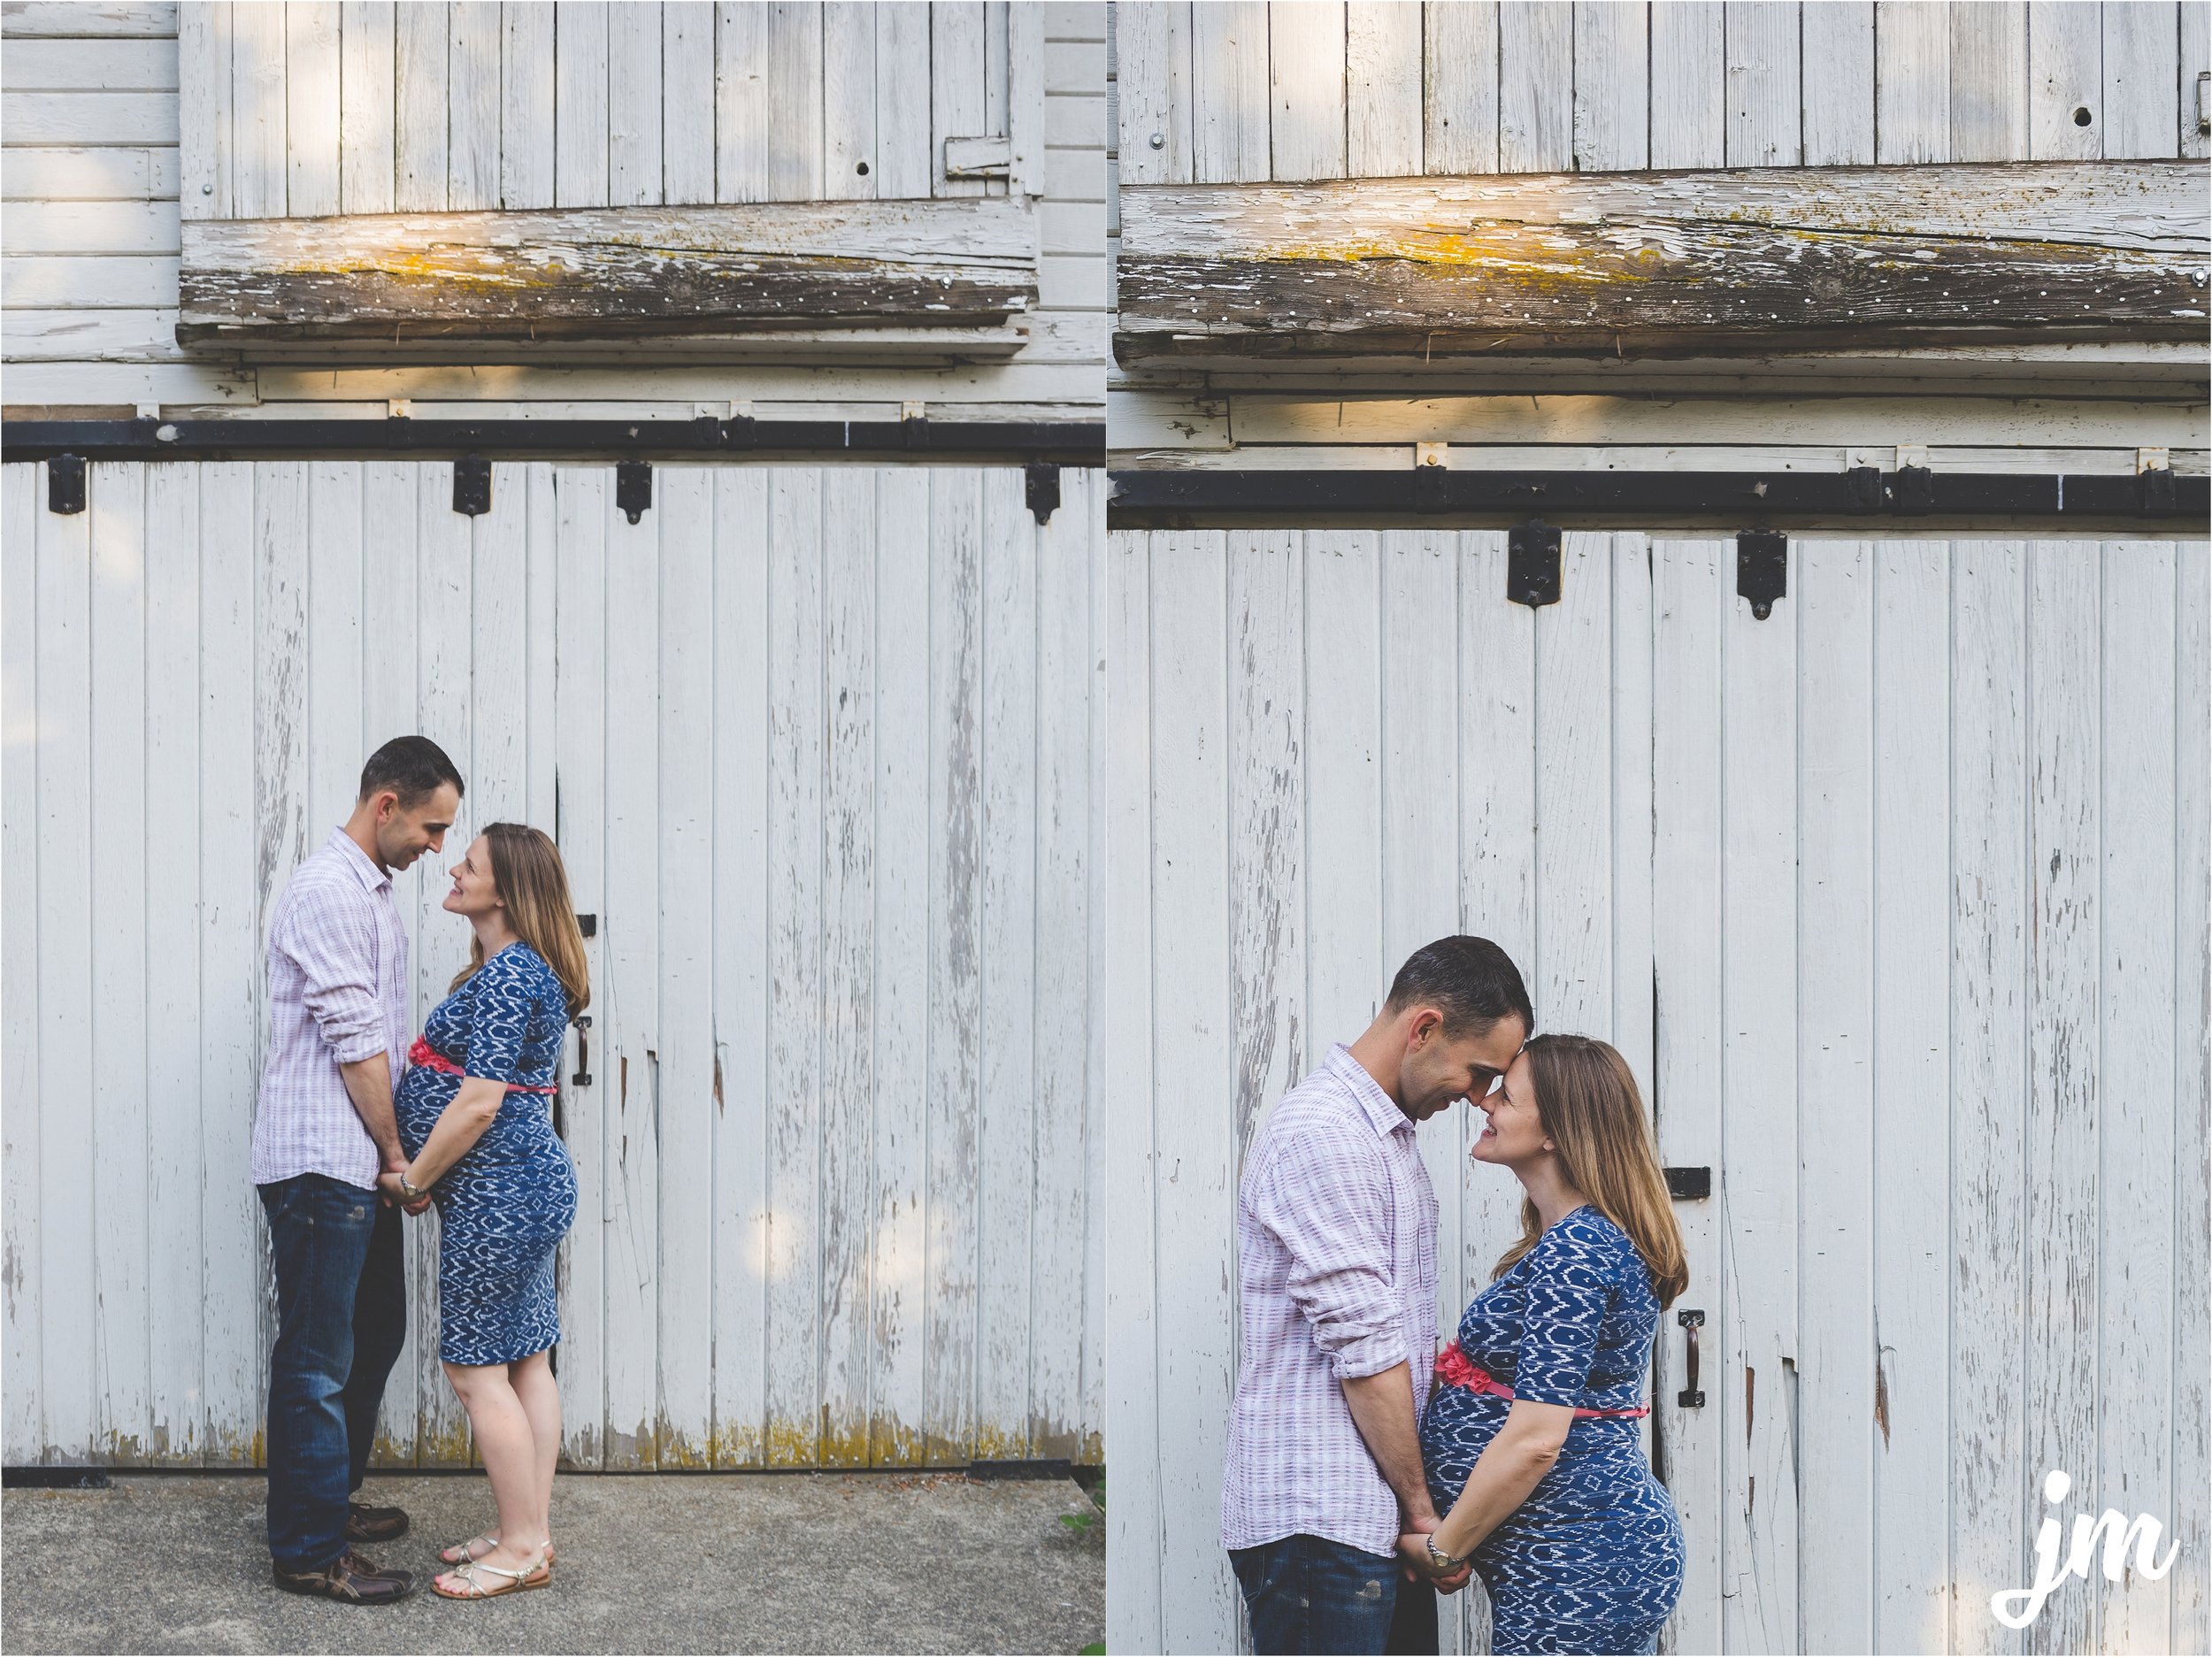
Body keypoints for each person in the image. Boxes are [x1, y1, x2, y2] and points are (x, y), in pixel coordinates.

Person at [1222, 936, 1533, 1656]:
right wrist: (1427, 1517)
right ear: (1423, 1028)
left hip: (1367, 1521)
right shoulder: (1325, 1133)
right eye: (1480, 1071)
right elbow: (1366, 1350)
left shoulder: (1382, 1137)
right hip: (1322, 1522)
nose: (1480, 1097)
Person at [254, 735, 465, 1603]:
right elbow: (356, 1042)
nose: (436, 847)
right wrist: (396, 1157)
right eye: (430, 826)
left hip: (357, 1164)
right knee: (316, 1358)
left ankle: (327, 1499)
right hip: (323, 1164)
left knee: (373, 1334)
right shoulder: (328, 890)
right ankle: (308, 1549)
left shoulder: (373, 891)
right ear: (386, 805)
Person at [1407, 1035, 1687, 1656]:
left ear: (1557, 1131)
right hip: (1575, 1551)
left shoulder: (1577, 1248)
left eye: (1506, 1095)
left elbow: (1537, 1439)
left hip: (1579, 1558)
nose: (1484, 1101)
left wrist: (1442, 1547)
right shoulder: (1578, 1238)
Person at [390, 821, 588, 1600]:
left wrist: (414, 1180)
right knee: (527, 1358)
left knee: (475, 1370)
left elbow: (476, 1104)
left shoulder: (510, 976)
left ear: (505, 888)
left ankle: (522, 1543)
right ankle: (527, 1524)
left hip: (499, 1194)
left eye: (468, 864)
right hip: (520, 1185)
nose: (452, 867)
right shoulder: (517, 968)